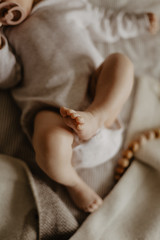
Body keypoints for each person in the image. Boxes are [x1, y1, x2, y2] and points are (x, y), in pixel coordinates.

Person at [0, 0, 158, 212]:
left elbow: (104, 23)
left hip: (96, 96)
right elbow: (10, 78)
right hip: (52, 114)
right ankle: (75, 184)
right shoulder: (8, 36)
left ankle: (98, 116)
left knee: (120, 62)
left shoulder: (63, 5)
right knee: (48, 139)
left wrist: (138, 23)